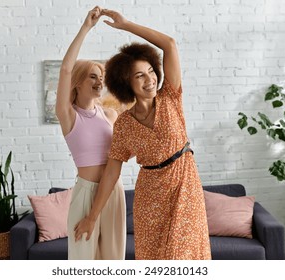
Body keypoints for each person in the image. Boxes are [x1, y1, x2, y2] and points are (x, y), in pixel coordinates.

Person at [74, 9, 211, 260]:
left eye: (150, 71)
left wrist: (126, 25)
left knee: (183, 257)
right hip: (149, 197)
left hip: (184, 185)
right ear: (127, 83)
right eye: (139, 75)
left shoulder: (170, 96)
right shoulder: (124, 124)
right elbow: (111, 171)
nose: (149, 79)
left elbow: (169, 44)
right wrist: (92, 217)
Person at [55, 6, 126, 260]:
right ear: (78, 82)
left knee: (114, 262)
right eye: (93, 77)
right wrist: (87, 27)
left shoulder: (111, 115)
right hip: (85, 194)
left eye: (102, 77)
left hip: (114, 191)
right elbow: (65, 69)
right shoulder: (68, 115)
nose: (100, 82)